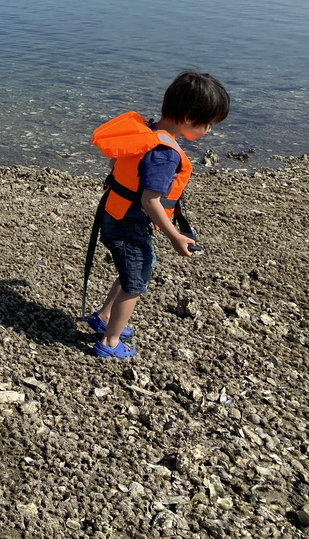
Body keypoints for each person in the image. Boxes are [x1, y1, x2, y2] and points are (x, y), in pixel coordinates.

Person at [84, 71, 230, 359]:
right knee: (135, 284)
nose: (208, 131)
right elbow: (151, 202)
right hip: (129, 222)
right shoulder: (164, 153)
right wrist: (175, 236)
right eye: (208, 124)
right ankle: (110, 342)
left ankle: (104, 317)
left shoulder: (147, 132)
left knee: (134, 269)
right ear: (189, 118)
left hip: (116, 214)